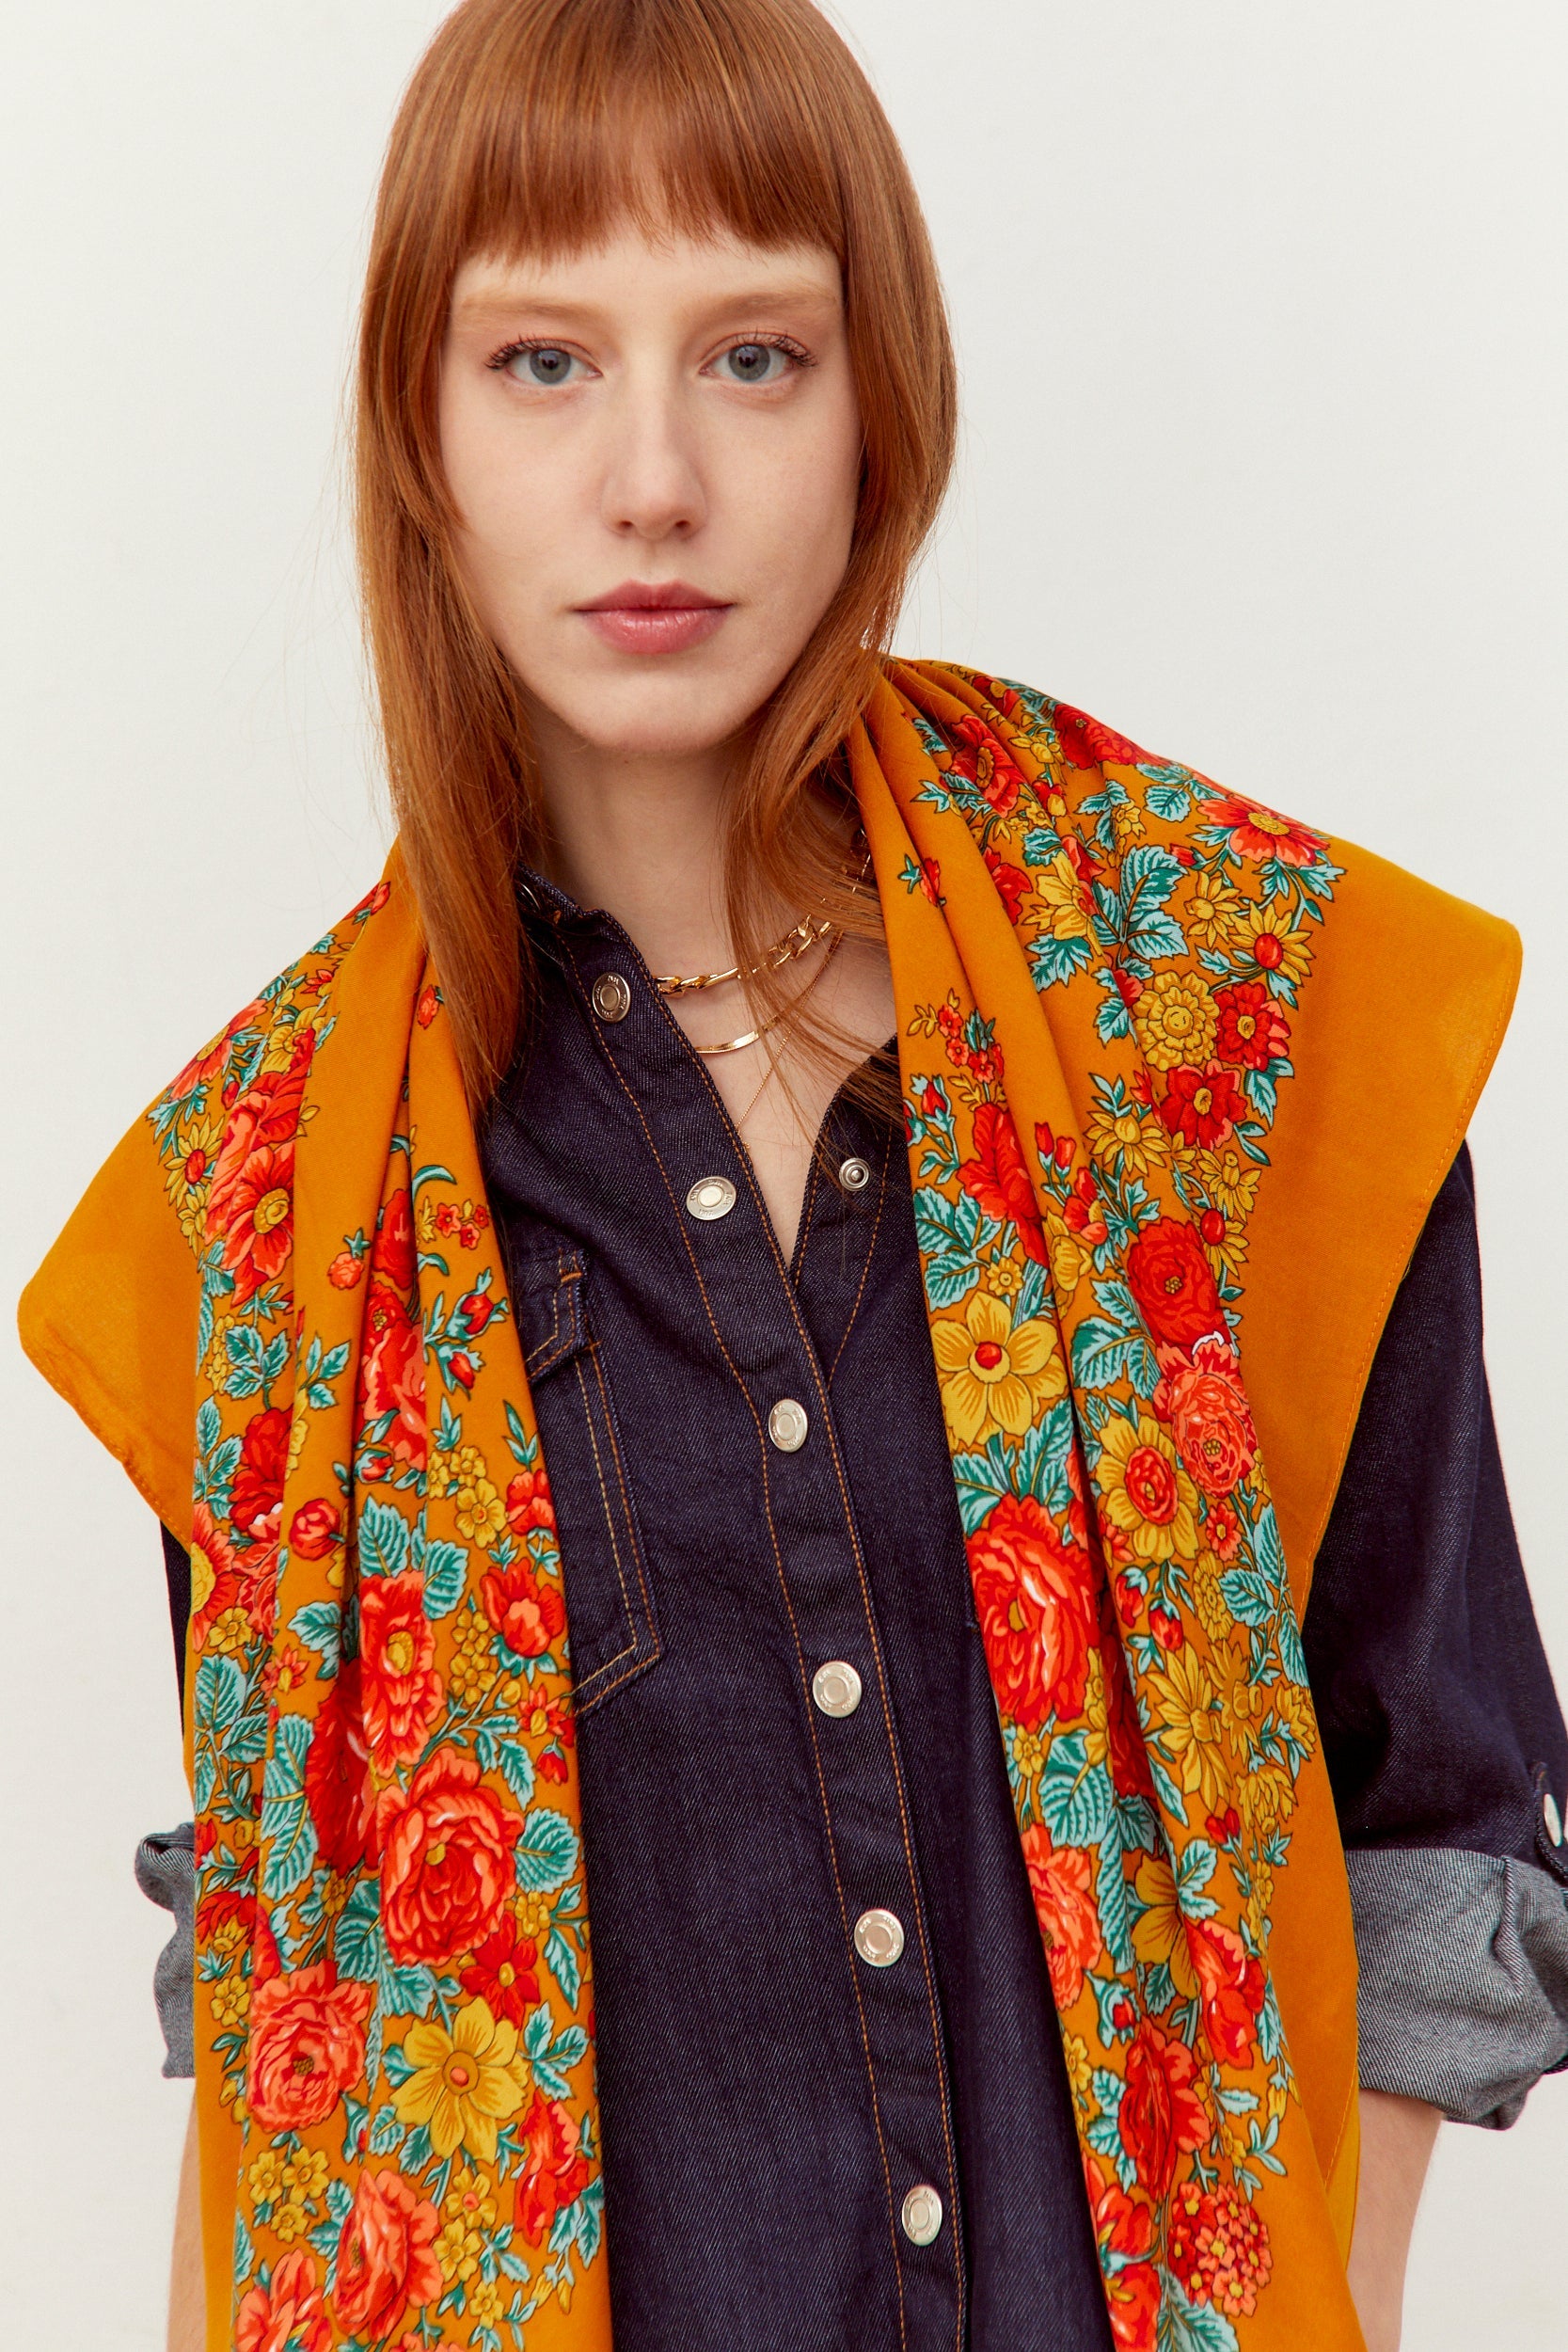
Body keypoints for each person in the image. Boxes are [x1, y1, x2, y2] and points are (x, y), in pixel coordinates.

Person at [18, 3, 1568, 2349]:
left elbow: (1435, 1813)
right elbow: (277, 2051)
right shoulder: (265, 1225)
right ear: (423, 436)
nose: (652, 480)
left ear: (878, 409)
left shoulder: (1220, 1018)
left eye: (754, 355)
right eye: (543, 363)